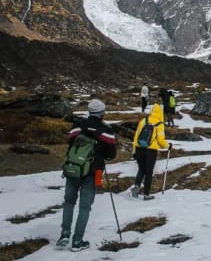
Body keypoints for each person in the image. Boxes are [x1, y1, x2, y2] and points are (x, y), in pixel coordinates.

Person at [58, 99, 117, 251]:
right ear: (102, 113)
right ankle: (77, 241)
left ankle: (64, 234)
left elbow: (70, 143)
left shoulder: (77, 125)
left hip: (73, 169)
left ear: (89, 111)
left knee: (69, 202)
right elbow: (111, 155)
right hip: (93, 172)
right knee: (85, 207)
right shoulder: (106, 130)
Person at [131, 103, 171, 200]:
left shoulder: (143, 121)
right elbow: (161, 140)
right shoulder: (159, 124)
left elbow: (136, 137)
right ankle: (146, 194)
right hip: (151, 151)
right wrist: (168, 146)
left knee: (141, 169)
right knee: (148, 172)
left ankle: (136, 187)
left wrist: (134, 151)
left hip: (139, 149)